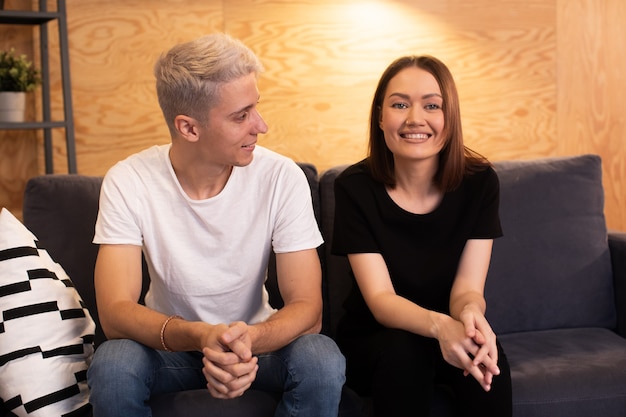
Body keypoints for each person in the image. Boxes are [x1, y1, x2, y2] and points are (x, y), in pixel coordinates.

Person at [87, 33, 345, 417]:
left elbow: (308, 307)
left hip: (257, 348)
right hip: (170, 351)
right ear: (189, 128)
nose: (261, 125)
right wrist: (199, 336)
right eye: (241, 116)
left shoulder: (281, 176)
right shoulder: (129, 180)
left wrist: (250, 340)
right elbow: (115, 313)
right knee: (113, 363)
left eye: (255, 107)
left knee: (321, 358)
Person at [331, 55, 513, 416]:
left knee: (486, 361)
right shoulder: (355, 188)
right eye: (400, 104)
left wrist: (471, 315)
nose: (415, 118)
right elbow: (381, 300)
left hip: (450, 326)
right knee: (405, 353)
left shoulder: (480, 184)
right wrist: (440, 325)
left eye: (432, 105)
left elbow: (466, 289)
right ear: (380, 117)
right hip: (377, 339)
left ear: (450, 118)